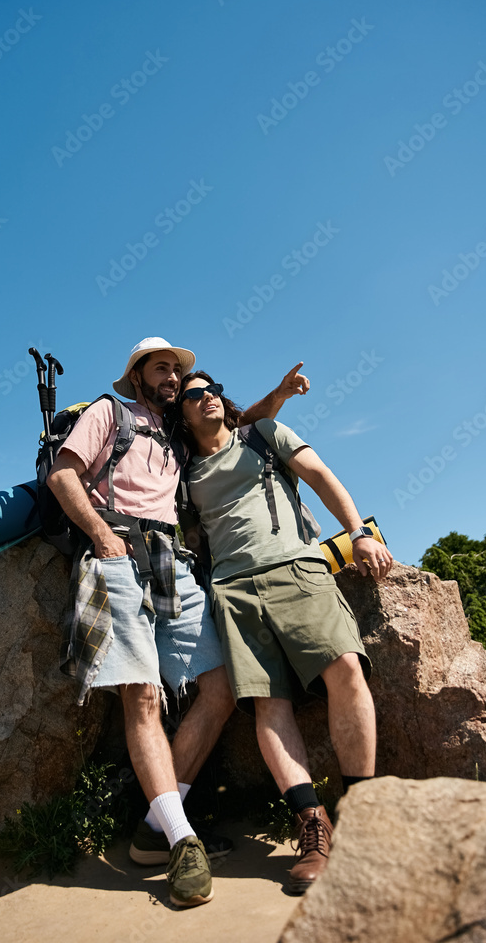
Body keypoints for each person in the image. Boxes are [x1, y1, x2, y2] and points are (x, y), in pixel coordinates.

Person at [47, 338, 309, 907]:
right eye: (161, 368)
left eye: (177, 370)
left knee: (218, 687)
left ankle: (152, 831)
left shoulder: (174, 432)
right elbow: (63, 475)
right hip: (116, 554)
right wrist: (101, 537)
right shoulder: (107, 412)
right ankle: (184, 840)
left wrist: (280, 396)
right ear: (137, 375)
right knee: (142, 697)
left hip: (175, 564)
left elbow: (237, 423)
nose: (172, 376)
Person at [175, 371, 394, 895]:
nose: (205, 397)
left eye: (211, 389)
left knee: (344, 669)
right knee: (269, 703)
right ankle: (312, 826)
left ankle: (360, 817)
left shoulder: (263, 435)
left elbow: (320, 475)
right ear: (180, 413)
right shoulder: (183, 471)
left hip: (296, 568)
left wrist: (358, 534)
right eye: (191, 394)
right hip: (232, 590)